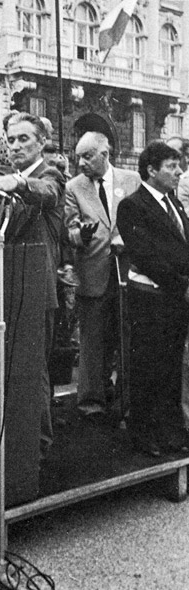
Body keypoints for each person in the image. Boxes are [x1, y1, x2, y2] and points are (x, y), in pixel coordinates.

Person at [0, 112, 65, 458]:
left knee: (33, 367)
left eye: (23, 139)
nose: (15, 146)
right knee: (10, 367)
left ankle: (38, 446)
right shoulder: (6, 180)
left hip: (37, 288)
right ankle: (16, 440)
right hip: (7, 284)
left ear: (41, 142)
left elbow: (50, 193)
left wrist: (18, 184)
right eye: (10, 140)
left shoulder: (48, 173)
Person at [117, 142, 189, 458]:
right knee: (147, 367)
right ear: (151, 170)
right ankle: (143, 434)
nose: (179, 172)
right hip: (151, 299)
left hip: (175, 298)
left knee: (171, 367)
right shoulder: (133, 206)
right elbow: (145, 256)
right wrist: (181, 285)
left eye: (179, 166)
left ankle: (170, 431)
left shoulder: (174, 204)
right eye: (171, 166)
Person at [65, 132, 140, 419]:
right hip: (93, 272)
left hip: (126, 271)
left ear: (104, 154)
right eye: (78, 158)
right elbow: (69, 231)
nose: (81, 162)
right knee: (92, 341)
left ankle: (125, 401)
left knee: (127, 338)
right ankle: (91, 403)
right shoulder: (74, 187)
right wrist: (79, 236)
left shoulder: (131, 180)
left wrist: (126, 239)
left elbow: (139, 220)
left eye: (87, 156)